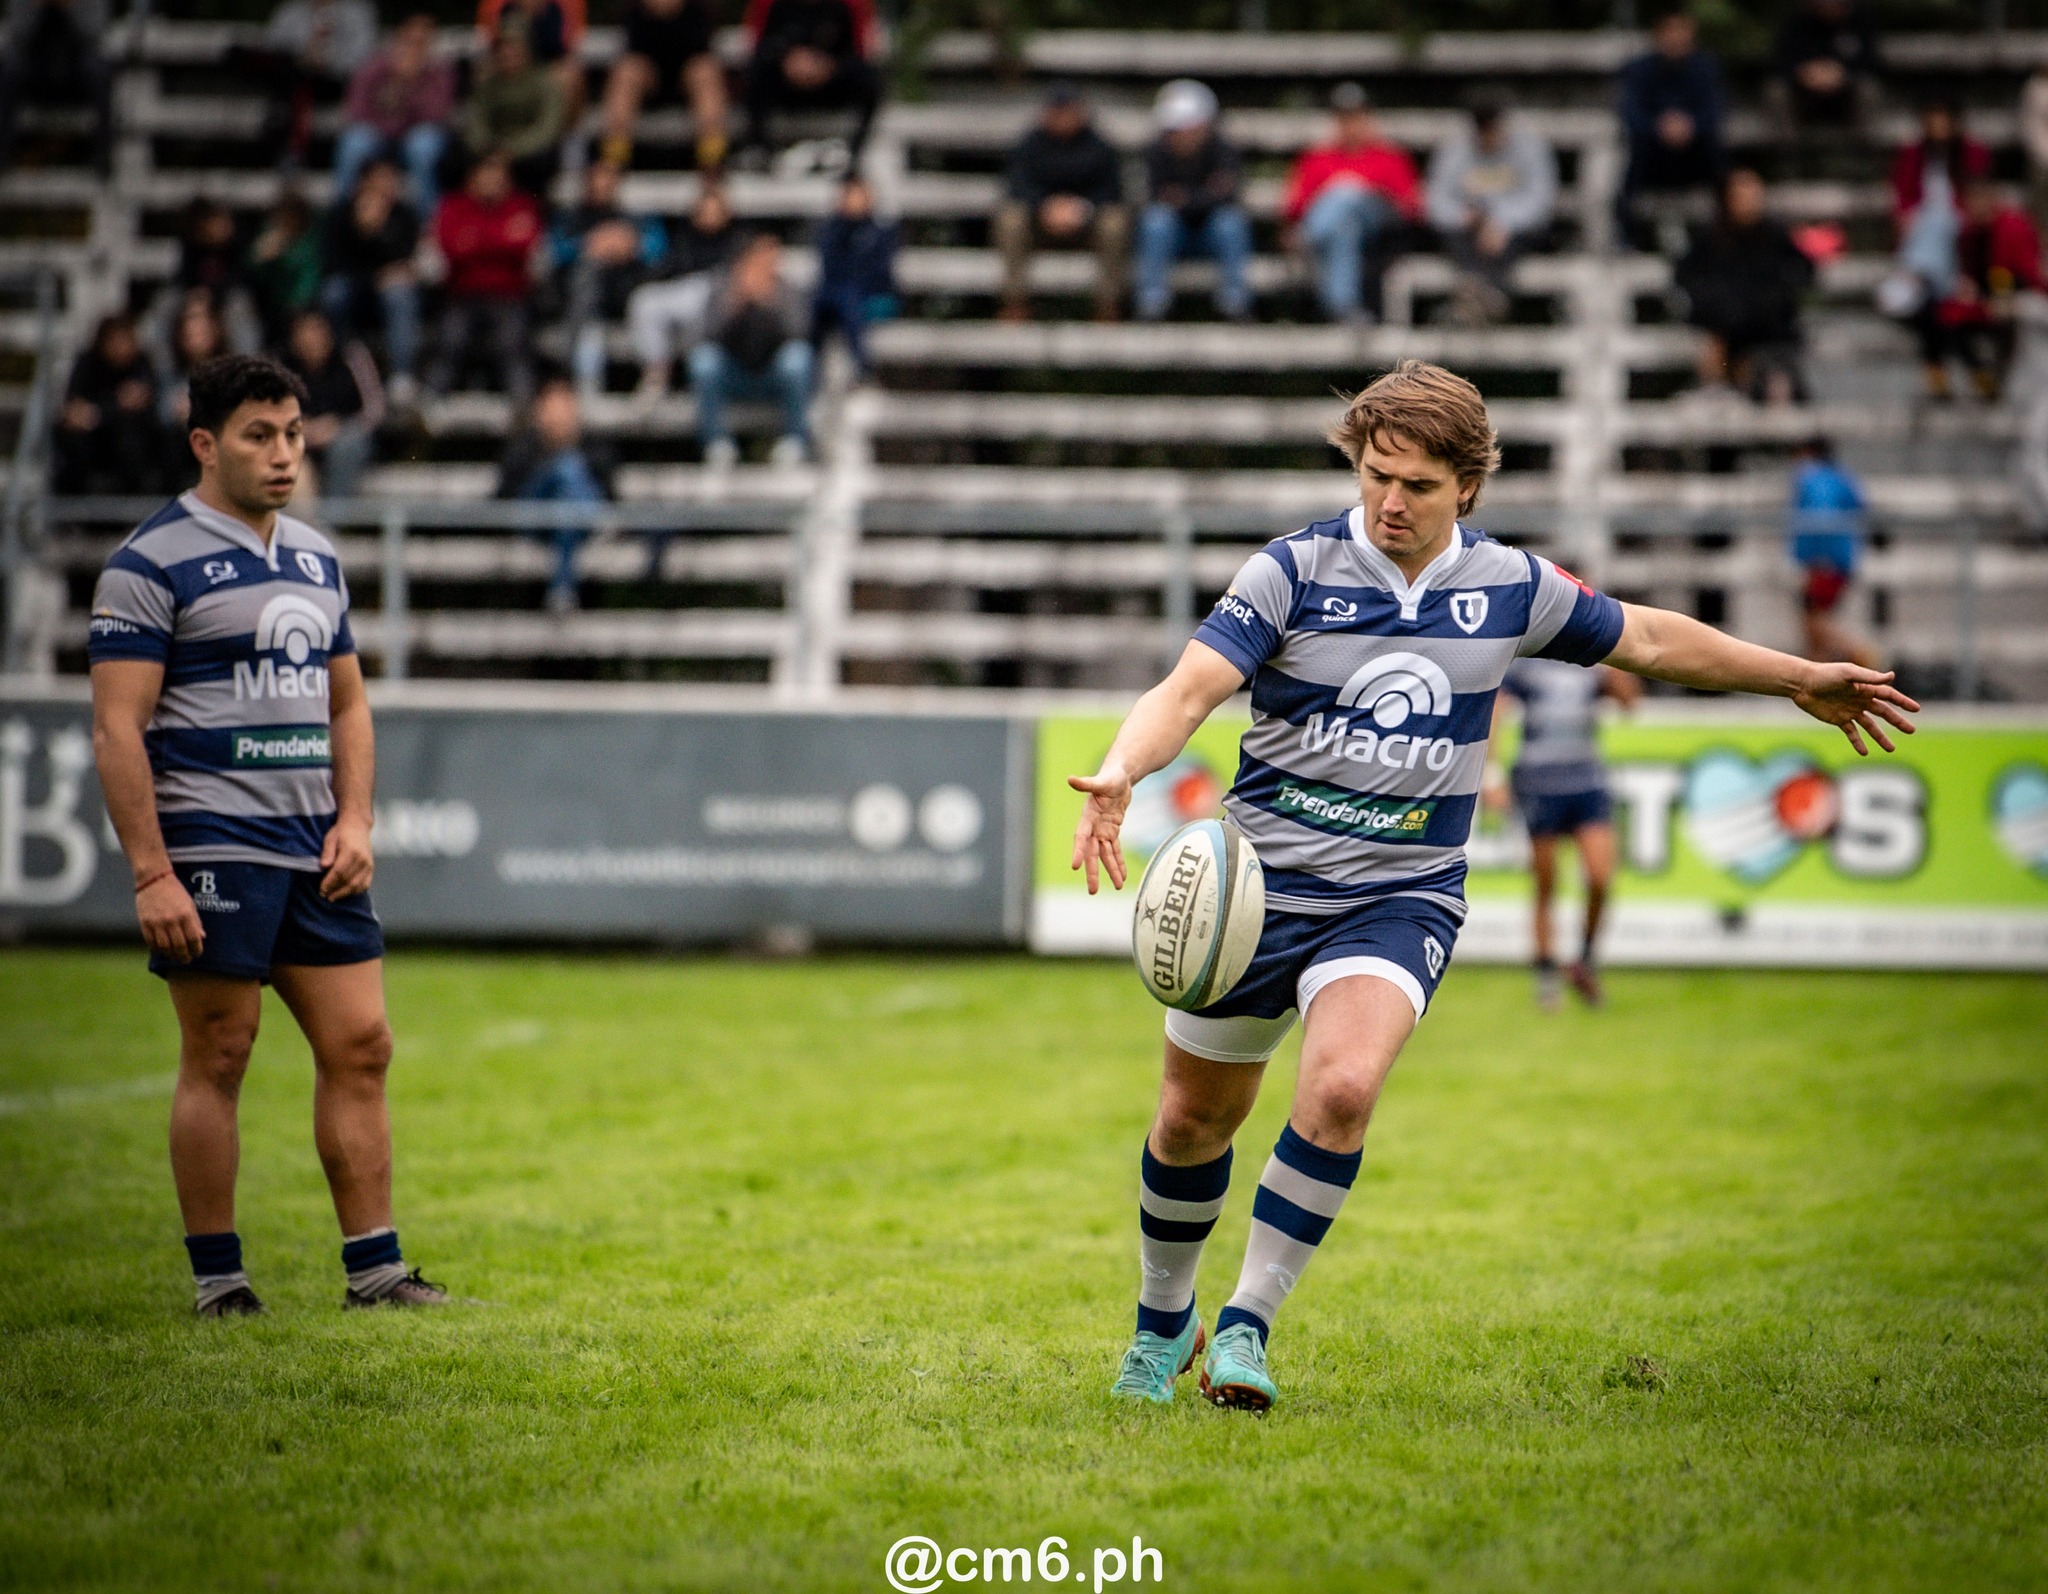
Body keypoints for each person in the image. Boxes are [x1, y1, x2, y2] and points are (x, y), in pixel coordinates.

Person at [1070, 360, 1919, 1413]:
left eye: (1417, 485)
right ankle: (1163, 1322)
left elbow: (1646, 638)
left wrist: (1798, 675)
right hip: (1257, 889)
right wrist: (1123, 769)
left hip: (1398, 893)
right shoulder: (1289, 571)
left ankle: (1244, 1324)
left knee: (1339, 1090)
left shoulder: (1506, 586)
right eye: (1376, 474)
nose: (1389, 501)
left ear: (1466, 485)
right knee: (1190, 1123)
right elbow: (1188, 685)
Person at [86, 353, 449, 1317]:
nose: (284, 453)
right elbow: (117, 728)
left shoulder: (316, 556)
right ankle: (221, 1282)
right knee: (222, 1050)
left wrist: (358, 819)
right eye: (259, 435)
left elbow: (348, 705)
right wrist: (152, 873)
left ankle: (375, 1273)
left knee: (364, 1044)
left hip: (312, 849)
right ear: (205, 444)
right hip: (211, 846)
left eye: (291, 433)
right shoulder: (147, 563)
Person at [1489, 659, 1638, 1011]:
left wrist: (1617, 659)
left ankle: (1584, 961)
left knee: (1601, 877)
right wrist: (1492, 773)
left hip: (1587, 778)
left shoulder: (1593, 654)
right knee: (1546, 882)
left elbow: (1630, 703)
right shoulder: (1528, 660)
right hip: (1538, 780)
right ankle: (1545, 975)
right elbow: (1496, 709)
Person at [1281, 82, 1421, 324]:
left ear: (1368, 118)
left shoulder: (1390, 156)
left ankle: (1310, 236)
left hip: (1380, 227)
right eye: (1344, 118)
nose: (1351, 125)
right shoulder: (1317, 158)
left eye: (1356, 117)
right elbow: (1295, 205)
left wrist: (1359, 192)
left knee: (1346, 191)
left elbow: (1410, 208)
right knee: (1344, 227)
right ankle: (1344, 307)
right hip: (1342, 231)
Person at [1675, 168, 1815, 405]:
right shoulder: (1710, 241)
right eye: (1742, 194)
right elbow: (1689, 281)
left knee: (1782, 389)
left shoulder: (1775, 237)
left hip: (1769, 338)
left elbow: (1801, 275)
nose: (1751, 201)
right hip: (1725, 338)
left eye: (1754, 193)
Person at [995, 83, 1127, 324]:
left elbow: (1112, 191)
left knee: (1114, 223)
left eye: (1069, 111)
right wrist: (1046, 207)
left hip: (1087, 224)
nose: (1063, 118)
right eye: (1058, 111)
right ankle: (1015, 303)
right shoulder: (1028, 145)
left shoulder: (1100, 147)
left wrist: (1080, 209)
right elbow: (1016, 187)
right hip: (1040, 225)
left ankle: (1108, 306)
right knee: (1010, 219)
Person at [1424, 89, 1556, 327]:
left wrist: (1502, 222)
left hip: (1516, 231)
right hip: (1468, 230)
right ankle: (1484, 298)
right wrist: (1465, 217)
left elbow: (1540, 201)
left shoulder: (1529, 146)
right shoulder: (1455, 150)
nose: (1487, 138)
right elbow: (1437, 203)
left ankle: (1479, 298)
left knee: (1512, 237)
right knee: (1455, 234)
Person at [688, 231, 813, 467]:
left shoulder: (787, 290)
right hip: (733, 373)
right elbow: (707, 335)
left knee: (798, 359)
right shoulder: (722, 289)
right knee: (703, 361)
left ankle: (795, 440)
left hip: (772, 374)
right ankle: (716, 442)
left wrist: (768, 304)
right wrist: (736, 305)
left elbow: (800, 333)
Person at [1917, 176, 2046, 403]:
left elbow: (2027, 271)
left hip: (2016, 295)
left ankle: (1999, 378)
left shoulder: (2013, 227)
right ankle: (1974, 377)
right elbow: (1967, 271)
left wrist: (2001, 295)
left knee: (2006, 322)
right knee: (1939, 316)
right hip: (1984, 296)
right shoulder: (1969, 232)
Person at [428, 152, 543, 405]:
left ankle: (523, 409)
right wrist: (503, 238)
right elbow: (450, 247)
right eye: (486, 174)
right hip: (462, 295)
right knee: (449, 341)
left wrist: (475, 239)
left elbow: (527, 243)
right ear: (473, 178)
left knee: (514, 344)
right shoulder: (453, 205)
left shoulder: (522, 205)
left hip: (509, 296)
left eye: (498, 175)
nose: (492, 181)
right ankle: (429, 407)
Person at [1134, 78, 1251, 324]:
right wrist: (1206, 194)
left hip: (1211, 231)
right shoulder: (1157, 150)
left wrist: (1183, 198)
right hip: (1173, 233)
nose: (1181, 135)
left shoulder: (1224, 149)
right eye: (1175, 128)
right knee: (1156, 221)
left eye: (1187, 127)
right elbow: (1155, 196)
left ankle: (1235, 303)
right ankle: (1152, 303)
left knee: (1231, 223)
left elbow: (1228, 195)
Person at [496, 376, 615, 612]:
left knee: (566, 505)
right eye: (553, 409)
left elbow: (609, 492)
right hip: (534, 521)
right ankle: (564, 586)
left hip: (573, 522)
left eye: (564, 409)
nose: (559, 416)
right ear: (540, 412)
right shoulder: (523, 447)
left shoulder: (594, 446)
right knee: (566, 468)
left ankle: (561, 590)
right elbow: (504, 497)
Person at [1616, 7, 1725, 245]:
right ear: (1658, 35)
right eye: (1670, 31)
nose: (1677, 38)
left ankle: (1722, 235)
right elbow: (1630, 113)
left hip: (1694, 150)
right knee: (1632, 159)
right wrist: (1659, 127)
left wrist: (1690, 125)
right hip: (1653, 151)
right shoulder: (1640, 69)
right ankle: (1628, 240)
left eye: (1682, 30)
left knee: (1719, 157)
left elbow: (1715, 110)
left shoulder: (1705, 68)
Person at [320, 158, 424, 403]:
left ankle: (402, 376)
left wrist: (379, 234)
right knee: (333, 293)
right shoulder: (340, 214)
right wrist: (363, 233)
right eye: (380, 179)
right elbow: (334, 264)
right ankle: (338, 362)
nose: (387, 186)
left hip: (386, 294)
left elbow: (406, 265)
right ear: (362, 183)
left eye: (391, 179)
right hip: (354, 289)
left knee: (400, 294)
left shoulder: (404, 215)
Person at [230, 0, 379, 168]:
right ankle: (291, 150)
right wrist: (304, 57)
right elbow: (274, 50)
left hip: (338, 83)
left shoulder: (358, 11)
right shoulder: (291, 9)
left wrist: (327, 61)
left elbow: (364, 62)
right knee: (243, 56)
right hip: (294, 81)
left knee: (294, 79)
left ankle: (291, 151)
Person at [627, 180, 739, 400]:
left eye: (715, 209)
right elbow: (667, 269)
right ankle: (656, 372)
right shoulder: (684, 237)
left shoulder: (736, 240)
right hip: (682, 292)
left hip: (714, 294)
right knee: (643, 300)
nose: (710, 215)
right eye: (705, 209)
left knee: (699, 305)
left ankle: (696, 381)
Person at [334, 13, 456, 214]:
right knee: (354, 144)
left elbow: (436, 114)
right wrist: (391, 125)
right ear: (400, 36)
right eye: (411, 40)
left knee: (423, 146)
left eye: (422, 40)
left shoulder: (440, 71)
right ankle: (344, 218)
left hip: (416, 138)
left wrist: (408, 85)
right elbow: (356, 109)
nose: (415, 46)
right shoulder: (375, 65)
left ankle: (430, 219)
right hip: (378, 136)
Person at [741, 0, 880, 162]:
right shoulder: (771, 5)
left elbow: (860, 52)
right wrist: (786, 60)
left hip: (832, 88)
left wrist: (829, 66)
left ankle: (856, 153)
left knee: (869, 78)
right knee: (755, 74)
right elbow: (757, 48)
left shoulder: (848, 6)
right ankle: (763, 150)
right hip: (785, 87)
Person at [600, 0, 727, 173]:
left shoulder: (700, 11)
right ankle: (613, 159)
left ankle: (712, 162)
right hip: (648, 83)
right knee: (626, 72)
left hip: (688, 81)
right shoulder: (634, 12)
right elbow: (633, 48)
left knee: (705, 71)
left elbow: (702, 47)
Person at [53, 314, 169, 495]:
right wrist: (113, 407)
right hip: (95, 443)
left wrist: (97, 412)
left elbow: (139, 401)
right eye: (116, 340)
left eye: (126, 340)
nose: (121, 347)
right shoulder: (87, 364)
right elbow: (75, 409)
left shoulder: (142, 364)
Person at [1787, 436, 1877, 668]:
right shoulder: (1842, 478)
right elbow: (1862, 508)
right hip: (1840, 558)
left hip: (1823, 560)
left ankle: (1859, 652)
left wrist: (1814, 558)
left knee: (1813, 621)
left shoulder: (1812, 478)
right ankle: (1817, 676)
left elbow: (1820, 517)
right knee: (1814, 621)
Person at [0, 0, 112, 176]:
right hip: (35, 65)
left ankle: (103, 159)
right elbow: (19, 33)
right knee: (10, 69)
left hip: (74, 66)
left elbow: (94, 32)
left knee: (99, 70)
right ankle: (4, 155)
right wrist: (39, 8)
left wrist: (69, 7)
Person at [284, 308, 383, 502]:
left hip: (349, 433)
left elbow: (375, 409)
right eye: (304, 332)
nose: (311, 339)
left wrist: (336, 427)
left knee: (347, 445)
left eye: (316, 330)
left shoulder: (351, 355)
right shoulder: (283, 365)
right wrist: (302, 429)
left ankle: (334, 519)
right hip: (300, 439)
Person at [460, 22, 567, 198]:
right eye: (504, 48)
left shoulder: (545, 82)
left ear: (527, 50)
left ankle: (533, 212)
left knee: (542, 161)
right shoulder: (488, 84)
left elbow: (548, 128)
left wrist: (511, 150)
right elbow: (476, 120)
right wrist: (489, 148)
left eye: (514, 47)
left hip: (527, 151)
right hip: (491, 148)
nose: (508, 53)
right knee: (455, 159)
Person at [810, 173, 898, 380]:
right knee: (822, 300)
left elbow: (880, 272)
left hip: (872, 296)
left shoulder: (880, 232)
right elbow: (828, 266)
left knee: (848, 297)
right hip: (836, 294)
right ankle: (812, 367)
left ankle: (862, 368)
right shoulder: (831, 230)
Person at [1768, 0, 1881, 136]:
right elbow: (1782, 61)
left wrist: (1843, 74)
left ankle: (1861, 148)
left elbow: (1870, 62)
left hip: (1845, 93)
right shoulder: (1796, 21)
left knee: (1869, 90)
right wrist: (1804, 73)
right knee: (1775, 91)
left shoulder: (1861, 20)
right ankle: (1789, 151)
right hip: (1804, 93)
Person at [247, 190, 326, 348]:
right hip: (270, 309)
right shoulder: (268, 235)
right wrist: (259, 260)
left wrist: (283, 254)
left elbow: (307, 283)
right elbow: (252, 278)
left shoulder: (310, 238)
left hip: (302, 307)